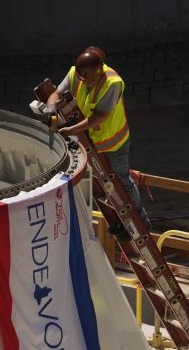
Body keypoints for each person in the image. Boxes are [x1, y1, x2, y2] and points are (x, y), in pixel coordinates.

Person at [48, 45, 149, 228]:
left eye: (91, 78)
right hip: (90, 139)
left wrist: (70, 131)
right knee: (101, 185)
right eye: (83, 77)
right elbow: (55, 93)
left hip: (113, 142)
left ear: (100, 70)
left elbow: (100, 116)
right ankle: (117, 221)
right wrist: (51, 112)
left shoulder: (113, 83)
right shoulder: (75, 73)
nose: (86, 81)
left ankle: (140, 221)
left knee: (121, 180)